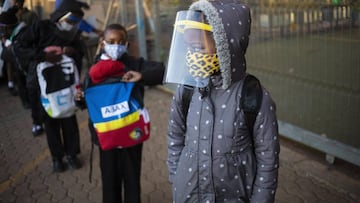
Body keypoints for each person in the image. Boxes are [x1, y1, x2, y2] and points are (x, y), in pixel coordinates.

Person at [164, 1, 280, 203]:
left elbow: (268, 159)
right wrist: (177, 176)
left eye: (199, 48)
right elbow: (175, 135)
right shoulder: (187, 90)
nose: (193, 56)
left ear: (227, 45)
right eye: (190, 49)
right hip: (188, 193)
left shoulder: (254, 97)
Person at [75, 23, 164, 203]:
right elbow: (86, 103)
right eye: (111, 41)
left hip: (131, 133)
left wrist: (142, 76)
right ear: (102, 43)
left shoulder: (134, 64)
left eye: (121, 41)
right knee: (110, 182)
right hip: (106, 135)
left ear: (127, 44)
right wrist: (80, 99)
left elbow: (161, 70)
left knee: (132, 180)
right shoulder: (95, 70)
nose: (116, 45)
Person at [13, 0, 88, 172]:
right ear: (61, 16)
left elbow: (81, 52)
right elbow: (19, 46)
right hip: (44, 86)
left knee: (70, 117)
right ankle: (57, 158)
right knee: (50, 120)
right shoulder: (41, 28)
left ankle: (72, 154)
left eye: (75, 23)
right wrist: (42, 56)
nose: (71, 26)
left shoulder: (73, 36)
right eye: (70, 21)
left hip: (67, 84)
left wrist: (73, 52)